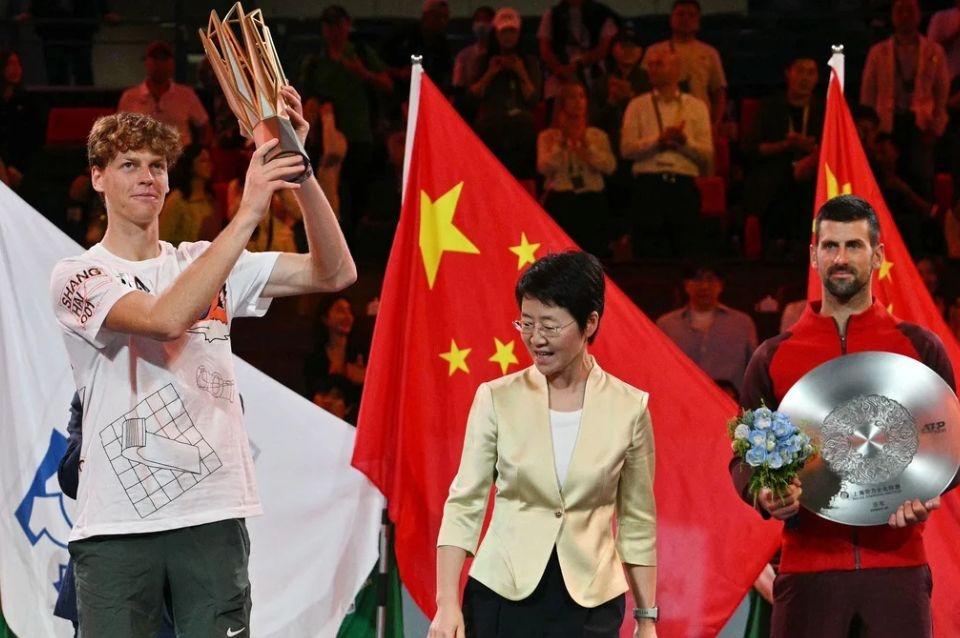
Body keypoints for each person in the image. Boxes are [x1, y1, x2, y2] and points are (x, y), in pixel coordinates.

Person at [48, 84, 356, 636]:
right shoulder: (78, 275)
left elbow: (334, 272)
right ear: (97, 177)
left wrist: (300, 170)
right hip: (118, 522)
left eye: (158, 165)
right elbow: (165, 318)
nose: (147, 176)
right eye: (129, 164)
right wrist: (249, 211)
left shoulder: (204, 260)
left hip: (213, 516)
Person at [730, 194, 955, 637]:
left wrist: (928, 491)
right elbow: (743, 460)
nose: (841, 258)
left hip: (899, 566)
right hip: (807, 569)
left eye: (854, 245)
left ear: (878, 256)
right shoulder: (773, 357)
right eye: (830, 246)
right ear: (813, 255)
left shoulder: (920, 348)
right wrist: (765, 494)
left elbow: (952, 446)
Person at [430, 251, 658, 638]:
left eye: (550, 326)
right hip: (502, 594)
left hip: (591, 603)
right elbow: (465, 503)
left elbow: (638, 521)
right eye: (527, 323)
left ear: (590, 323)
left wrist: (646, 618)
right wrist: (446, 603)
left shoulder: (629, 408)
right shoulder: (497, 398)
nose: (536, 338)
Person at [620, 47, 712, 258]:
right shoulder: (637, 105)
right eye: (650, 65)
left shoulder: (696, 106)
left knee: (687, 253)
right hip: (648, 186)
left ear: (677, 69)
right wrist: (658, 140)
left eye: (659, 64)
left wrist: (683, 143)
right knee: (648, 256)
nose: (652, 69)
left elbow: (706, 155)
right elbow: (626, 149)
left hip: (683, 186)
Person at [860, 0, 950, 198]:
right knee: (884, 184)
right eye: (900, 10)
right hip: (886, 126)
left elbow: (941, 96)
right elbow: (868, 95)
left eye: (910, 10)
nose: (905, 16)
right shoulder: (878, 52)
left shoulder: (934, 51)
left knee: (921, 183)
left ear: (919, 14)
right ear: (893, 15)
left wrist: (936, 129)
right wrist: (870, 132)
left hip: (920, 126)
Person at [742, 55, 824, 256]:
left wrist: (811, 152)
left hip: (813, 171)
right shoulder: (769, 106)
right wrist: (786, 145)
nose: (805, 78)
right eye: (800, 71)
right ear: (788, 74)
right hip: (774, 170)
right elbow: (751, 149)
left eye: (811, 73)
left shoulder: (825, 109)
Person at [537, 80, 616, 256]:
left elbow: (609, 166)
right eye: (572, 97)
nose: (578, 102)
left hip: (591, 199)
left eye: (581, 96)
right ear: (562, 103)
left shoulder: (597, 135)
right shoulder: (548, 137)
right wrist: (562, 142)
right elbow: (543, 167)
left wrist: (587, 146)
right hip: (561, 199)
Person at [655, 264, 757, 394]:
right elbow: (657, 368)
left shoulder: (742, 323)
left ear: (720, 285)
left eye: (710, 279)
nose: (704, 286)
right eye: (697, 279)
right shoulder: (666, 324)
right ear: (686, 285)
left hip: (729, 400)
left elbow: (754, 369)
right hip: (679, 397)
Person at [468, 7, 542, 181]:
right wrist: (490, 74)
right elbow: (471, 98)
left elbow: (533, 99)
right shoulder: (483, 61)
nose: (508, 36)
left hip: (521, 128)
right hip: (491, 127)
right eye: (504, 32)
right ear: (496, 34)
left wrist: (521, 72)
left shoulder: (530, 62)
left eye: (512, 31)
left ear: (519, 34)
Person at [642, 0, 727, 131]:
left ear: (698, 20)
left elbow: (718, 91)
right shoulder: (654, 51)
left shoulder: (710, 52)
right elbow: (643, 86)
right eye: (680, 14)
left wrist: (716, 123)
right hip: (661, 119)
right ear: (671, 19)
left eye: (691, 15)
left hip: (699, 119)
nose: (685, 19)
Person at [117, 41, 211, 146]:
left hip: (180, 154)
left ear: (172, 63)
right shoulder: (129, 97)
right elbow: (120, 131)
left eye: (164, 59)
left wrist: (199, 151)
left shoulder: (186, 94)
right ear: (146, 62)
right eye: (155, 59)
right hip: (142, 154)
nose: (160, 64)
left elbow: (205, 126)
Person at [537, 0, 619, 108]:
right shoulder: (552, 14)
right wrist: (560, 70)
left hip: (593, 71)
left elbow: (603, 50)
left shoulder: (603, 14)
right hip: (559, 72)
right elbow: (545, 50)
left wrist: (577, 65)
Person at [159, 144, 218, 246]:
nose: (209, 165)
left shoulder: (210, 199)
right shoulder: (177, 200)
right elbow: (162, 238)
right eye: (203, 161)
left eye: (209, 160)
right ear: (191, 165)